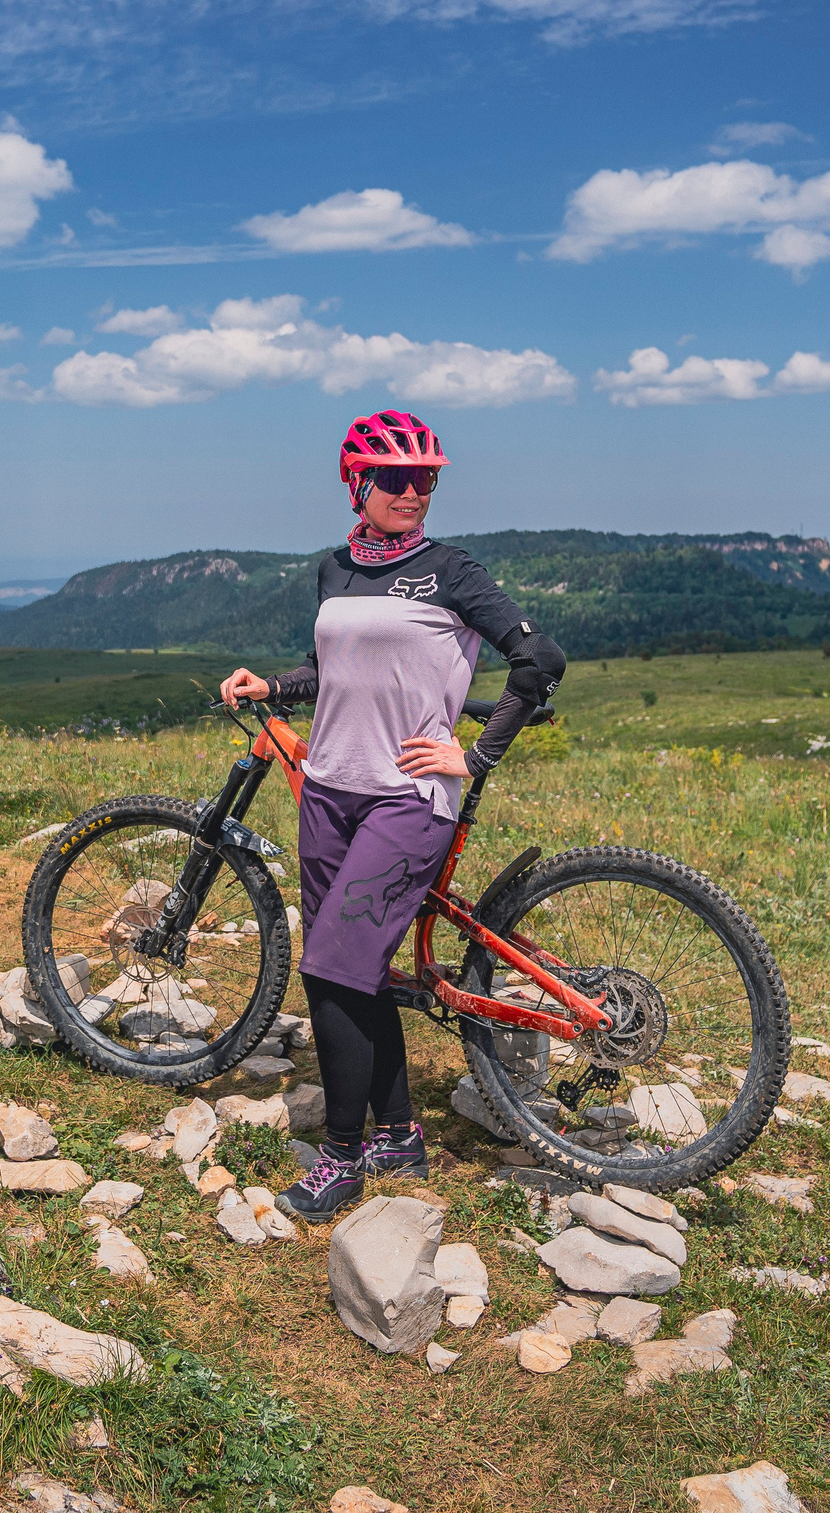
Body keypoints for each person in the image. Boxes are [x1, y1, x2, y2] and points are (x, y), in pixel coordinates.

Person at [219, 409, 565, 1221]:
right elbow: (331, 666)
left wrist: (476, 757)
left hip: (406, 799)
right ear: (358, 484)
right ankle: (399, 1131)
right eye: (397, 479)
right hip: (331, 790)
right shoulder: (335, 568)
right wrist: (273, 686)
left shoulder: (450, 571)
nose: (414, 492)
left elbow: (538, 660)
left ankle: (341, 1157)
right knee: (358, 967)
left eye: (426, 480)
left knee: (329, 966)